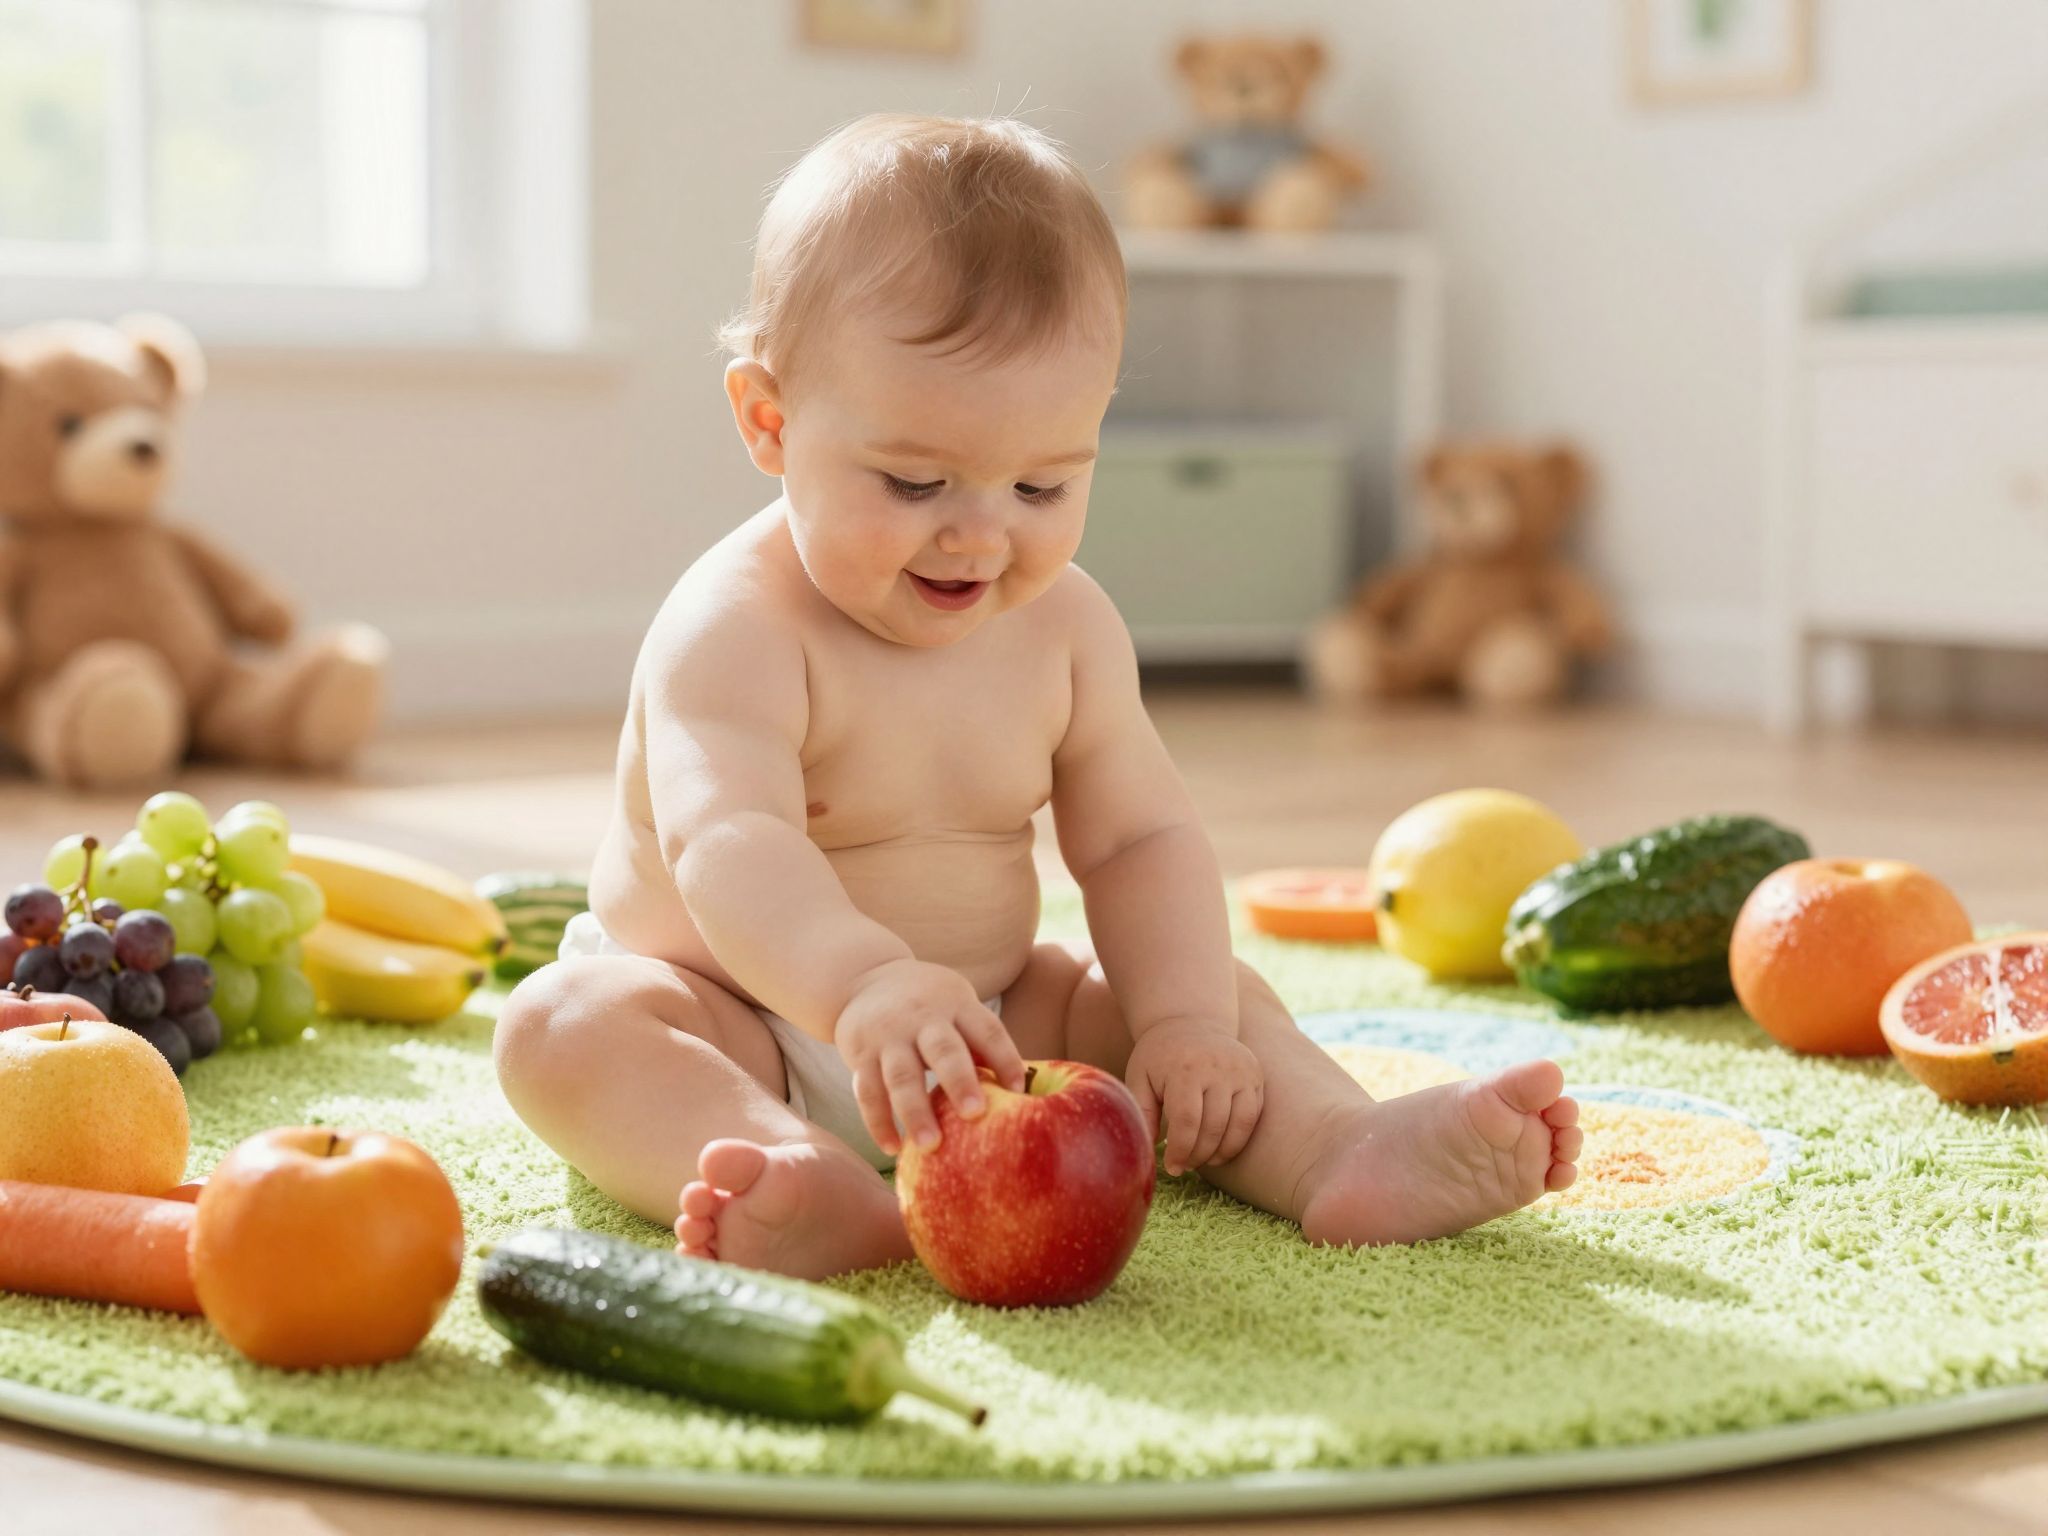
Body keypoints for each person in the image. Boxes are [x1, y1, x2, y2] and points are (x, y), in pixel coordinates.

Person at [494, 114, 1580, 1281]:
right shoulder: (732, 628)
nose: (979, 532)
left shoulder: (1064, 629)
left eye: (1042, 483)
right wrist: (859, 989)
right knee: (562, 1026)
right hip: (738, 1021)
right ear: (770, 420)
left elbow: (1138, 837)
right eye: (914, 480)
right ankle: (784, 1167)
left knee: (1210, 993)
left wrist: (1180, 1028)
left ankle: (1334, 1147)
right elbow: (728, 840)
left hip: (994, 1026)